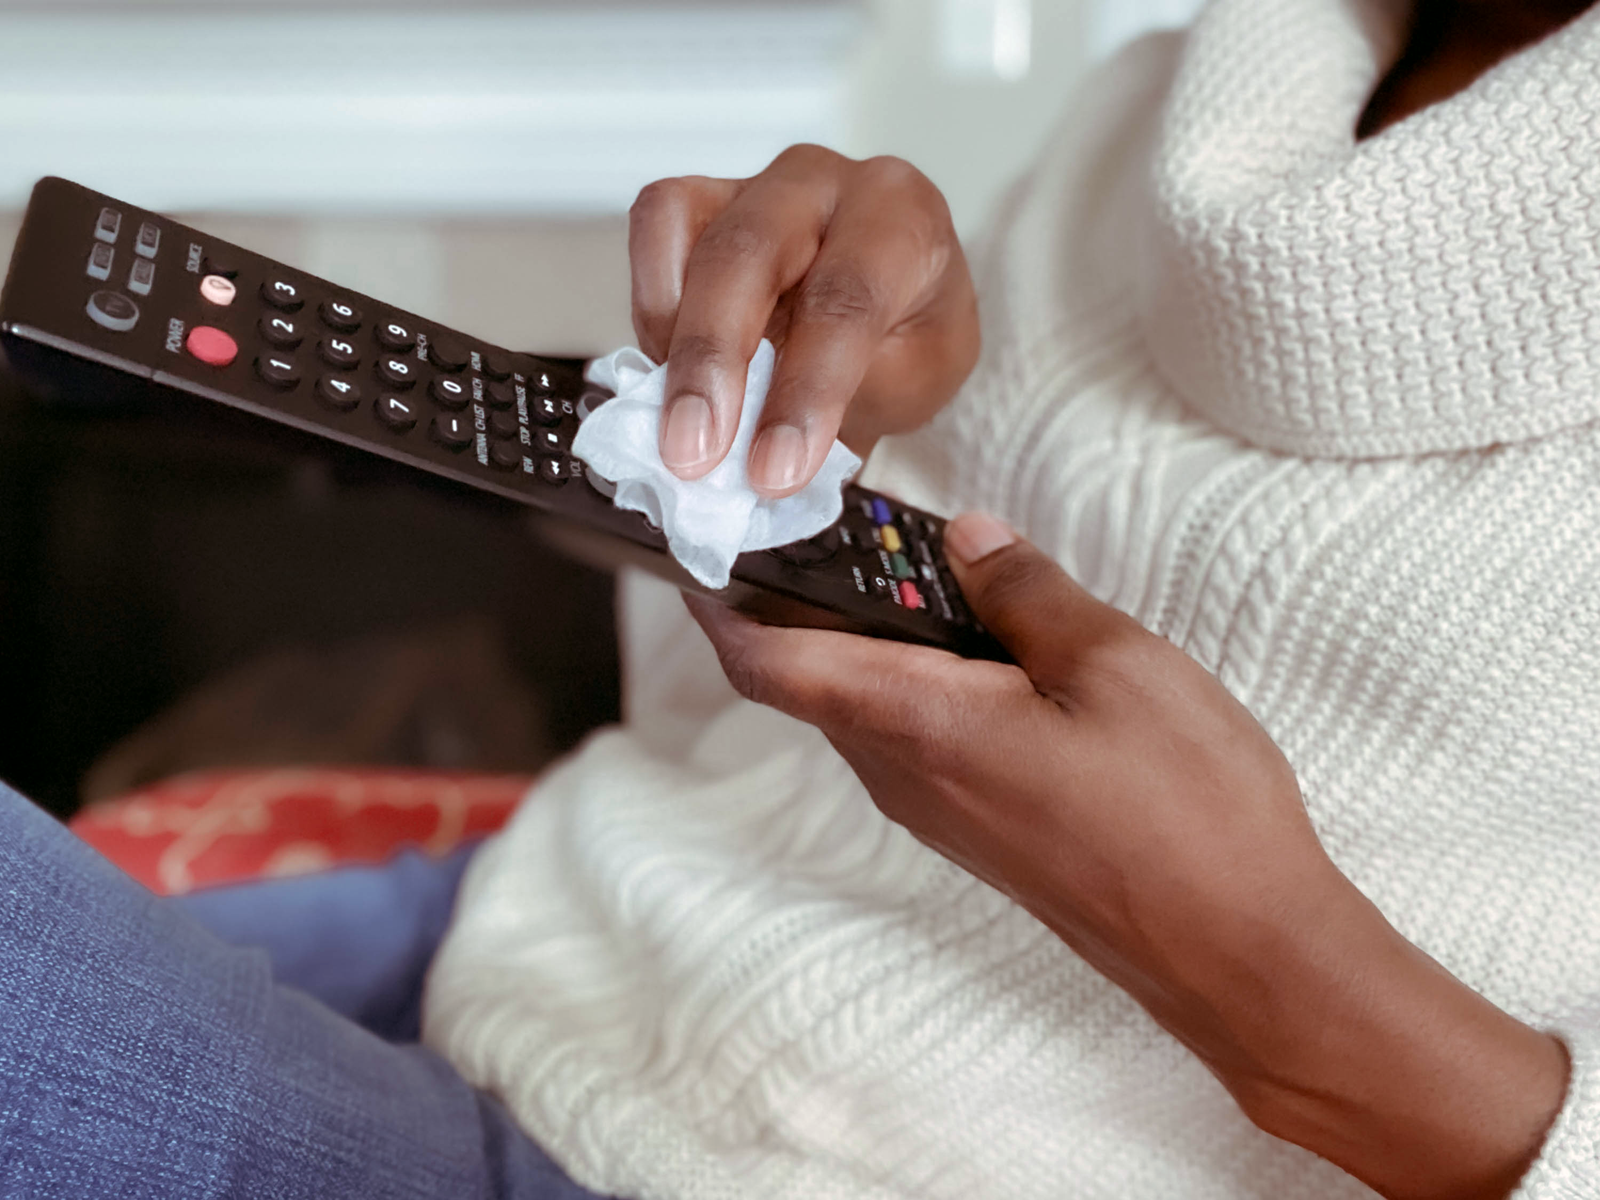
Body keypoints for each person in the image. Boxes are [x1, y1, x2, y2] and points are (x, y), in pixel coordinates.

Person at [2, 0, 1596, 1197]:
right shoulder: (1181, 93)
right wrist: (804, 449)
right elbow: (769, 702)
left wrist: (1267, 978)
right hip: (568, 922)